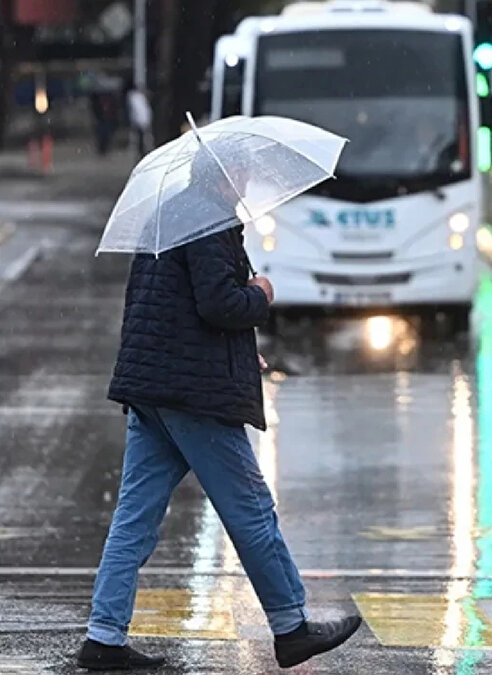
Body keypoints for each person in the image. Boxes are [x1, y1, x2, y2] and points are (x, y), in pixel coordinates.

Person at [77, 147, 362, 671]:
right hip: (194, 396)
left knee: (134, 519)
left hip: (154, 387)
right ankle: (291, 625)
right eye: (245, 171)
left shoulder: (167, 214)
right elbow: (218, 303)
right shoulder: (209, 220)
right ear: (226, 175)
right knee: (250, 510)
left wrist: (234, 348)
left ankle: (103, 634)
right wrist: (260, 293)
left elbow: (167, 308)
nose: (249, 180)